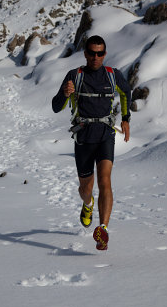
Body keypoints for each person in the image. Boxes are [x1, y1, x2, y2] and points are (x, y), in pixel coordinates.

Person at [52, 35, 131, 250]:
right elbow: (56, 106)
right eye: (92, 53)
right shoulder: (74, 76)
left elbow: (126, 93)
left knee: (105, 180)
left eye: (100, 53)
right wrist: (65, 94)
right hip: (84, 137)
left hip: (105, 134)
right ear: (85, 54)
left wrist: (125, 119)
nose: (96, 57)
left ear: (104, 54)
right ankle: (88, 205)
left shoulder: (112, 75)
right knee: (86, 188)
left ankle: (102, 230)